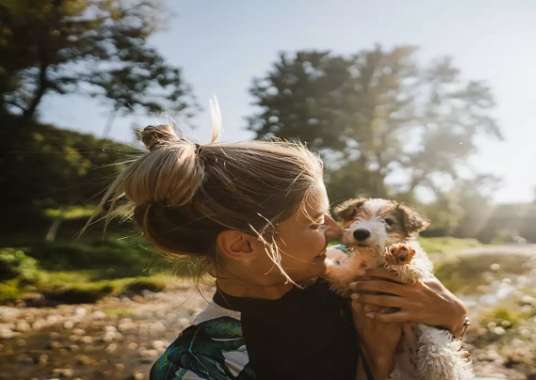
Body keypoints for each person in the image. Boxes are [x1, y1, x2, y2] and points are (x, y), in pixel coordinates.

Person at [83, 119, 468, 380]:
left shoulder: (341, 283)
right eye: (316, 222)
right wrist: (377, 361)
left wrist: (452, 318)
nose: (336, 231)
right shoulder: (200, 367)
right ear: (243, 244)